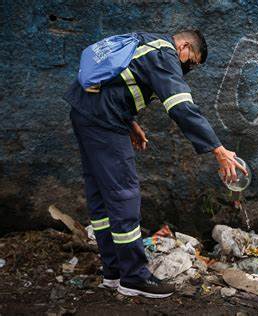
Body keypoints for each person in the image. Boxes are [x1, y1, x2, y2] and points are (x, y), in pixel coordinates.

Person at [63, 29, 247, 299]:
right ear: (183, 46)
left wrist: (131, 123)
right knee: (125, 195)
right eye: (192, 61)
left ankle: (113, 272)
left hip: (88, 113)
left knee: (101, 196)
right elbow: (181, 106)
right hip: (103, 122)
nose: (189, 68)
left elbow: (117, 84)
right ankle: (134, 277)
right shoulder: (165, 55)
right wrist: (218, 149)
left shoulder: (147, 43)